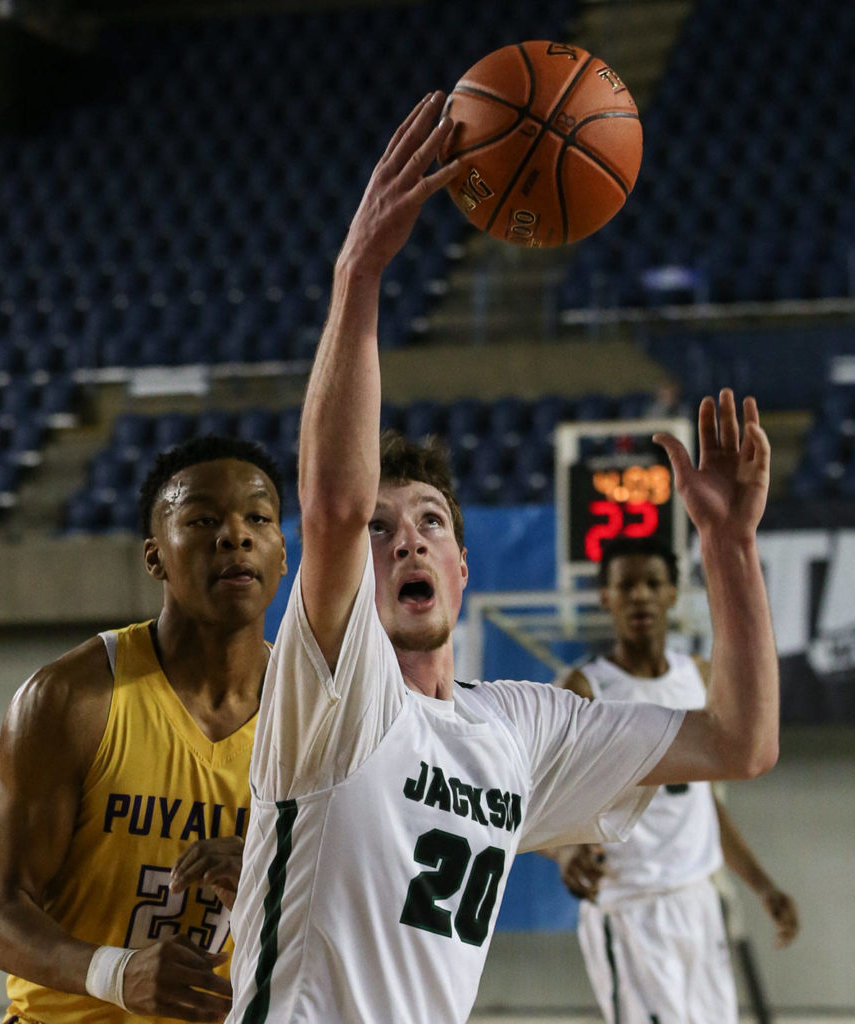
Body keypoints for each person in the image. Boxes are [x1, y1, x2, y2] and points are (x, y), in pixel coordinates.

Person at [225, 92, 779, 1024]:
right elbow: (329, 504)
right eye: (382, 526)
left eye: (432, 521)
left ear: (462, 569)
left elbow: (740, 744)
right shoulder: (331, 688)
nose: (406, 536)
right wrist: (358, 278)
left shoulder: (520, 730)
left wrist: (728, 547)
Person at [0, 435, 288, 1024]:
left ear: (281, 554)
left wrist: (270, 878)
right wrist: (115, 974)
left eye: (258, 518)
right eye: (202, 520)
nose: (235, 535)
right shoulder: (71, 699)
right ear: (155, 558)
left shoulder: (311, 718)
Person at [550, 535, 799, 1024]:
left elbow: (705, 806)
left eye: (652, 584)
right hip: (629, 907)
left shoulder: (700, 678)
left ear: (672, 594)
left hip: (697, 901)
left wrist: (763, 886)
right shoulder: (583, 689)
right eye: (627, 586)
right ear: (607, 598)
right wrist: (564, 851)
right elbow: (536, 804)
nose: (640, 595)